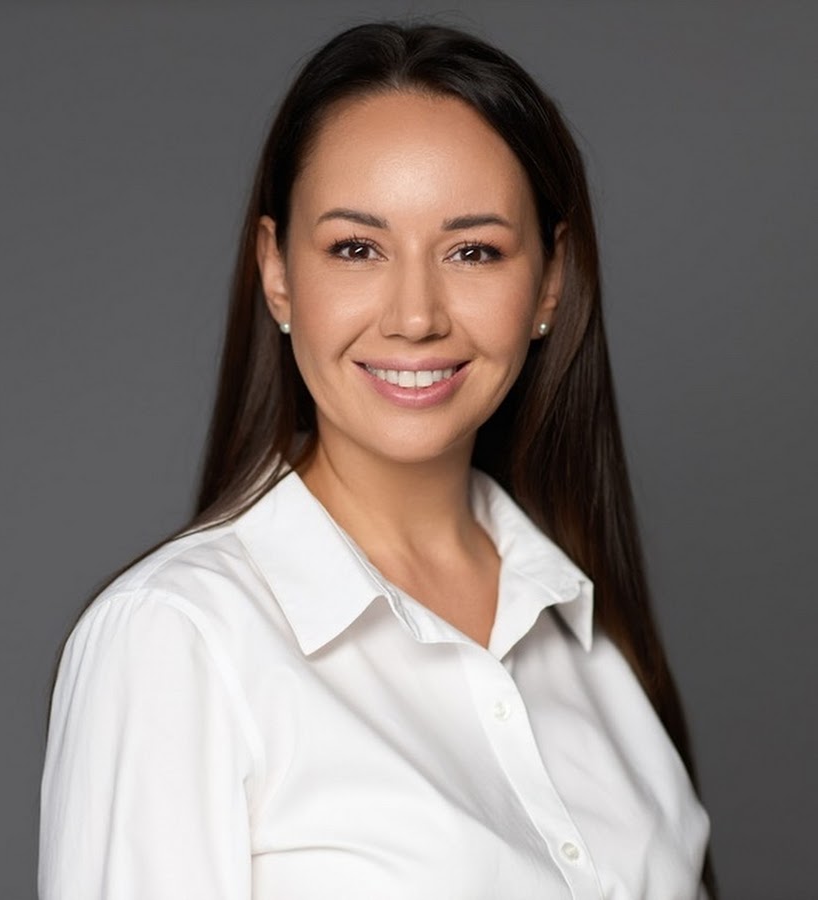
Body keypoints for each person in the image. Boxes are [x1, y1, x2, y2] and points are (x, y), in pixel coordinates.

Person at [39, 21, 714, 899]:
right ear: (278, 272)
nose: (415, 316)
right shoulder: (178, 640)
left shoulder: (587, 640)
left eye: (473, 251)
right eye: (357, 249)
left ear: (549, 282)